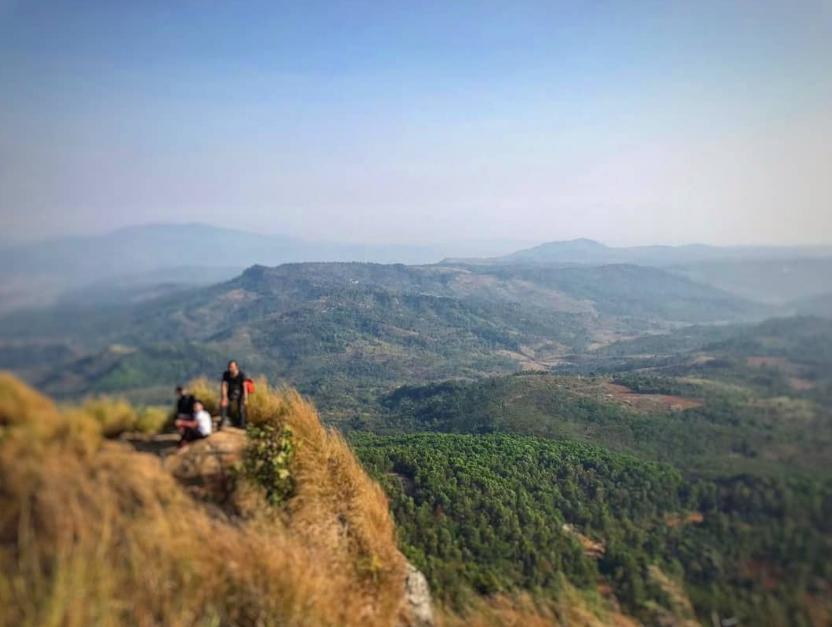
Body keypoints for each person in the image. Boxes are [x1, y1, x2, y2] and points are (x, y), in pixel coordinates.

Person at [220, 359, 248, 429]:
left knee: (241, 408)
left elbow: (245, 387)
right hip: (230, 392)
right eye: (229, 367)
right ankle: (223, 421)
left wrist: (245, 398)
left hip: (240, 393)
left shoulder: (241, 375)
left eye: (232, 367)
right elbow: (224, 385)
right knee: (224, 405)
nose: (230, 368)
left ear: (236, 367)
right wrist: (224, 397)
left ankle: (242, 424)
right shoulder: (226, 374)